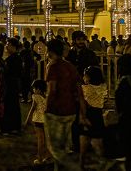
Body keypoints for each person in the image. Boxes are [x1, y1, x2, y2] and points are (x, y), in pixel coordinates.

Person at [44, 39, 80, 171]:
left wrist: (47, 108)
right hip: (71, 110)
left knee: (55, 148)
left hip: (57, 111)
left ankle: (74, 167)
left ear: (50, 52)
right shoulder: (70, 66)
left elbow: (51, 90)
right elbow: (78, 88)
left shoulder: (53, 66)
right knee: (64, 145)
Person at [79, 66, 106, 168]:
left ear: (90, 78)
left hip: (88, 114)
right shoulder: (102, 87)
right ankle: (101, 161)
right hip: (98, 115)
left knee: (84, 138)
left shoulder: (86, 88)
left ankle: (82, 162)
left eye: (85, 76)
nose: (83, 78)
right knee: (97, 140)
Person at [25, 79, 50, 165]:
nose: (33, 90)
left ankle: (39, 158)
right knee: (47, 139)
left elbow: (32, 109)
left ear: (38, 89)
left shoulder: (35, 97)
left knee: (40, 140)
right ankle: (47, 156)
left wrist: (27, 119)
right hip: (46, 120)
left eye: (34, 88)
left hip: (38, 120)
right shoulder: (47, 96)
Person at [2, 38, 23, 134]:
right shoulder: (14, 57)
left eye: (8, 44)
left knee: (11, 105)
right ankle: (14, 126)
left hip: (11, 84)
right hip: (13, 84)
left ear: (14, 46)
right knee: (13, 105)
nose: (6, 46)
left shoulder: (13, 59)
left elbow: (10, 72)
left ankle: (11, 127)